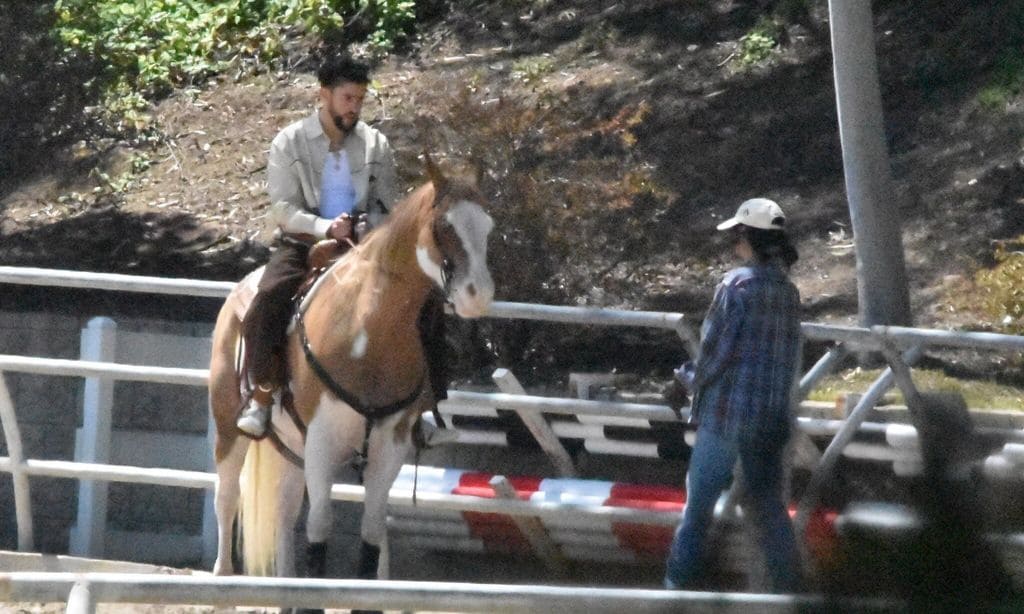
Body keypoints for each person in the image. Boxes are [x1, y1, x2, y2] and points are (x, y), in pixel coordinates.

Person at [237, 53, 448, 437]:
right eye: (348, 98)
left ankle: (429, 404)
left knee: (427, 299)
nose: (355, 107)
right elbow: (282, 208)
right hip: (303, 242)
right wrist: (323, 227)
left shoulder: (375, 144)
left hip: (364, 246)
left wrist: (374, 226)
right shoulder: (290, 142)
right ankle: (262, 393)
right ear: (325, 95)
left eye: (360, 99)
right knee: (268, 297)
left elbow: (388, 205)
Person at [662, 197, 803, 593]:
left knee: (698, 509)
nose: (733, 244)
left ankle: (676, 587)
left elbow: (714, 355)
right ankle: (790, 591)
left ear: (747, 238)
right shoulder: (788, 293)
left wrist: (681, 381)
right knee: (770, 509)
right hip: (769, 420)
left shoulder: (736, 285)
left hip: (725, 416)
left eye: (737, 235)